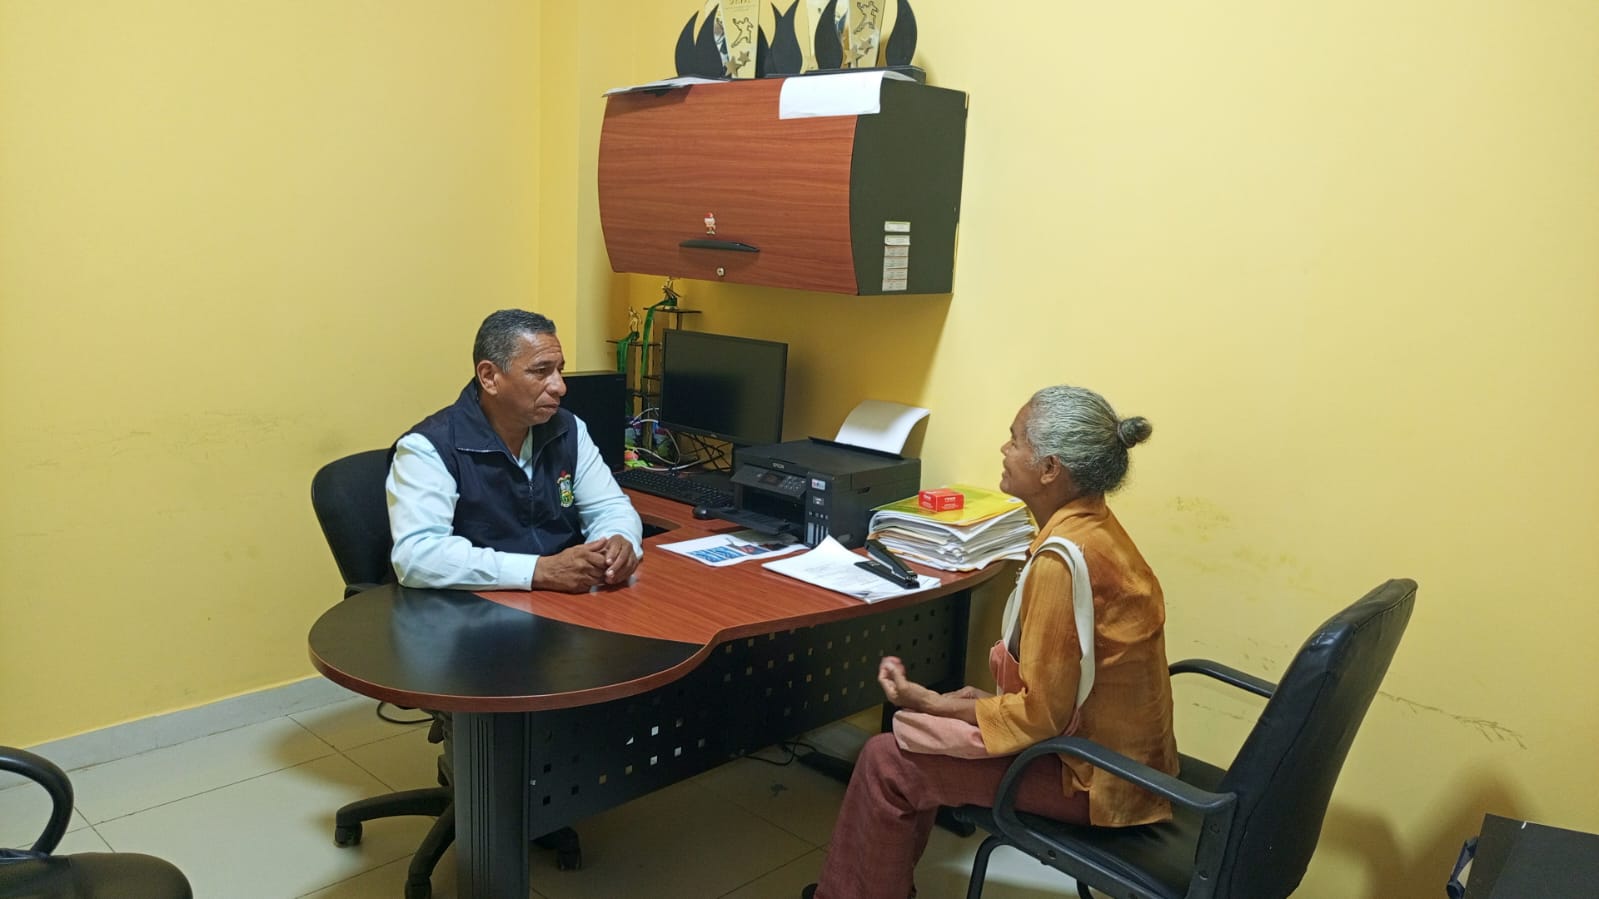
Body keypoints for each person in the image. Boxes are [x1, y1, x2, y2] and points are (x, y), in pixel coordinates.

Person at [806, 385, 1178, 899]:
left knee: (888, 761)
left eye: (1015, 439)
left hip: (1096, 779)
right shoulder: (1094, 527)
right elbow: (1057, 700)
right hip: (1123, 758)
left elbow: (1040, 717)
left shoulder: (1062, 561)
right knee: (924, 731)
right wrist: (946, 706)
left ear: (1050, 468)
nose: (1005, 449)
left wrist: (939, 706)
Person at [387, 309, 643, 592]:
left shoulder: (567, 429)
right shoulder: (429, 447)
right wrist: (538, 571)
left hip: (560, 599)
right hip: (472, 606)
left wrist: (619, 541)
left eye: (559, 370)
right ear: (489, 377)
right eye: (541, 371)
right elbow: (417, 556)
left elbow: (609, 507)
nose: (560, 387)